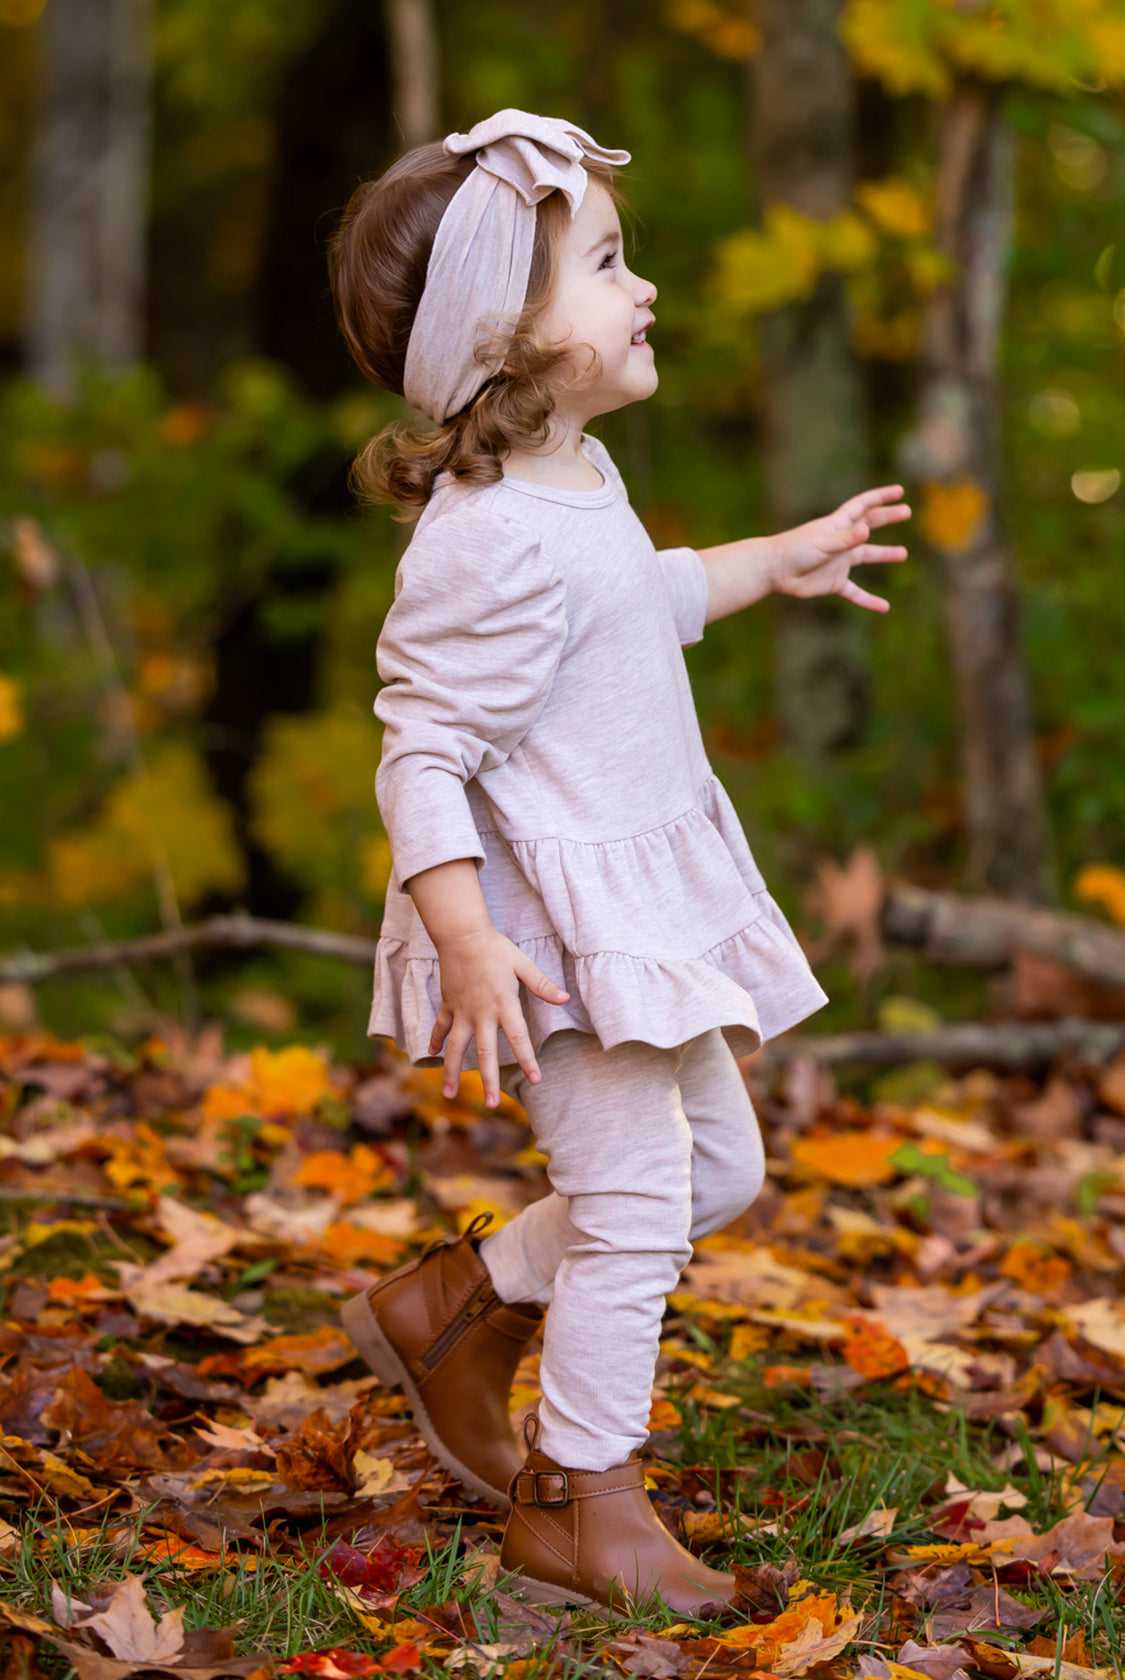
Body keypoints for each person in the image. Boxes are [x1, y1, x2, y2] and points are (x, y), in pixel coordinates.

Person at [328, 109, 910, 1617]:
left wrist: (773, 561)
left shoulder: (573, 475)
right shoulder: (481, 537)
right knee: (638, 1202)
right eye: (602, 262)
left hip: (638, 910)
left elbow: (626, 605)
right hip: (549, 933)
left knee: (719, 1170)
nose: (641, 286)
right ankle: (579, 1502)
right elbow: (421, 747)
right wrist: (466, 937)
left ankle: (461, 1301)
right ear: (502, 337)